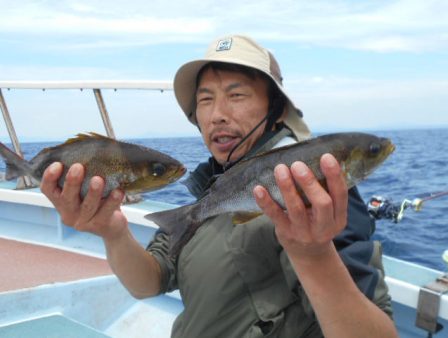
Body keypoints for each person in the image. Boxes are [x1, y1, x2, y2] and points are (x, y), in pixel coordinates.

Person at [40, 35, 398, 338]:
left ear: (275, 110)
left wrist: (313, 254)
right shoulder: (211, 188)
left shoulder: (318, 191)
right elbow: (149, 281)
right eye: (205, 99)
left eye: (237, 95)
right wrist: (112, 232)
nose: (217, 114)